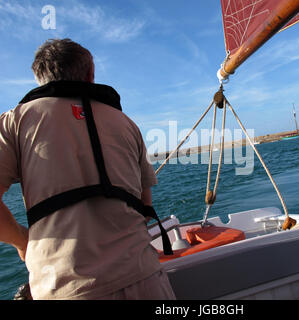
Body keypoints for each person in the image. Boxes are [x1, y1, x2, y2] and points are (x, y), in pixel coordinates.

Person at [0, 38, 176, 300]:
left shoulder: (15, 121)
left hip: (65, 288)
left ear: (39, 77)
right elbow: (145, 205)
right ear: (90, 75)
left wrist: (22, 242)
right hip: (145, 277)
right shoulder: (127, 124)